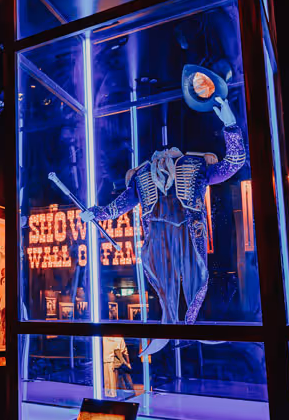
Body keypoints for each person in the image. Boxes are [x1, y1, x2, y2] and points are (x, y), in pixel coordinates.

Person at [81, 97, 244, 327]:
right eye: (161, 154)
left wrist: (231, 126)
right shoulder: (142, 177)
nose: (164, 155)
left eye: (170, 153)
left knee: (195, 284)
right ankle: (172, 325)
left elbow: (233, 163)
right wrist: (95, 214)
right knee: (164, 291)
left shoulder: (195, 167)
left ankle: (192, 324)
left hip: (189, 236)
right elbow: (115, 207)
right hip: (159, 241)